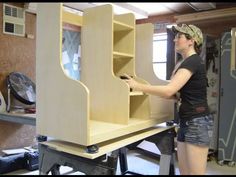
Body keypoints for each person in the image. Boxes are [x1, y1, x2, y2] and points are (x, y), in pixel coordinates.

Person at [124, 24, 213, 175]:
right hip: (187, 121)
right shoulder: (185, 62)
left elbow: (169, 90)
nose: (175, 40)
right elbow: (175, 94)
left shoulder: (192, 61)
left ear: (191, 41)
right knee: (184, 172)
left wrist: (138, 86)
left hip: (196, 122)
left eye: (180, 37)